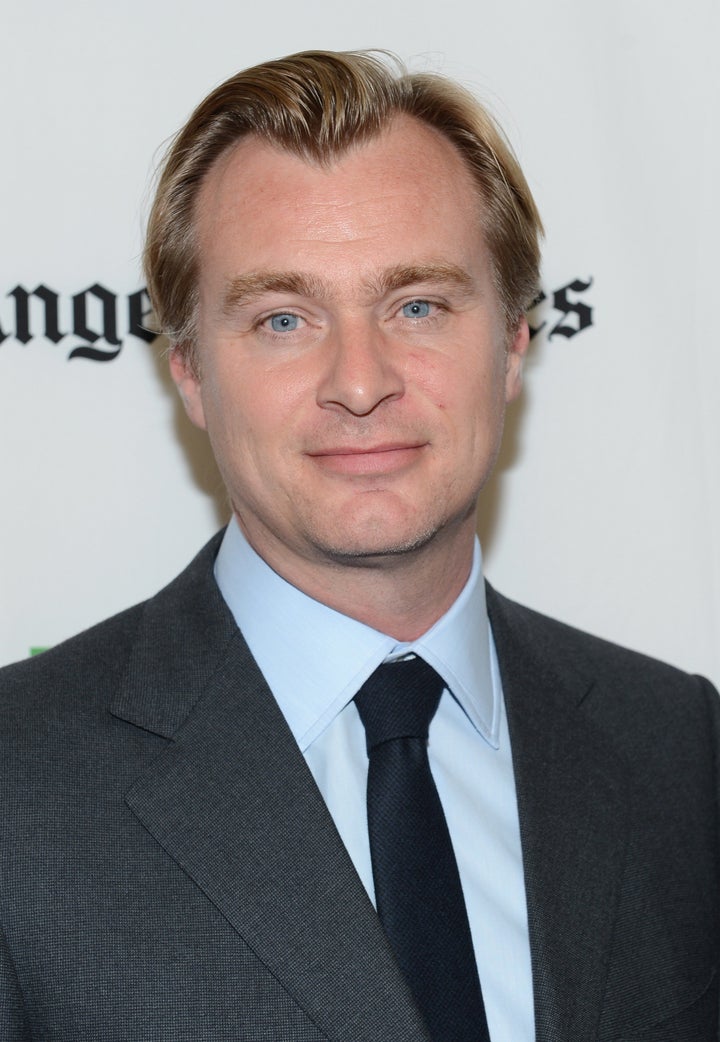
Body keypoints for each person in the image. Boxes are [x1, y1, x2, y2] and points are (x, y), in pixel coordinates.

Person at [1, 50, 717, 1042]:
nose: (361, 379)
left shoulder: (678, 747)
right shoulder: (19, 784)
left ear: (513, 343)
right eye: (284, 319)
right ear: (192, 375)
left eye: (416, 305)